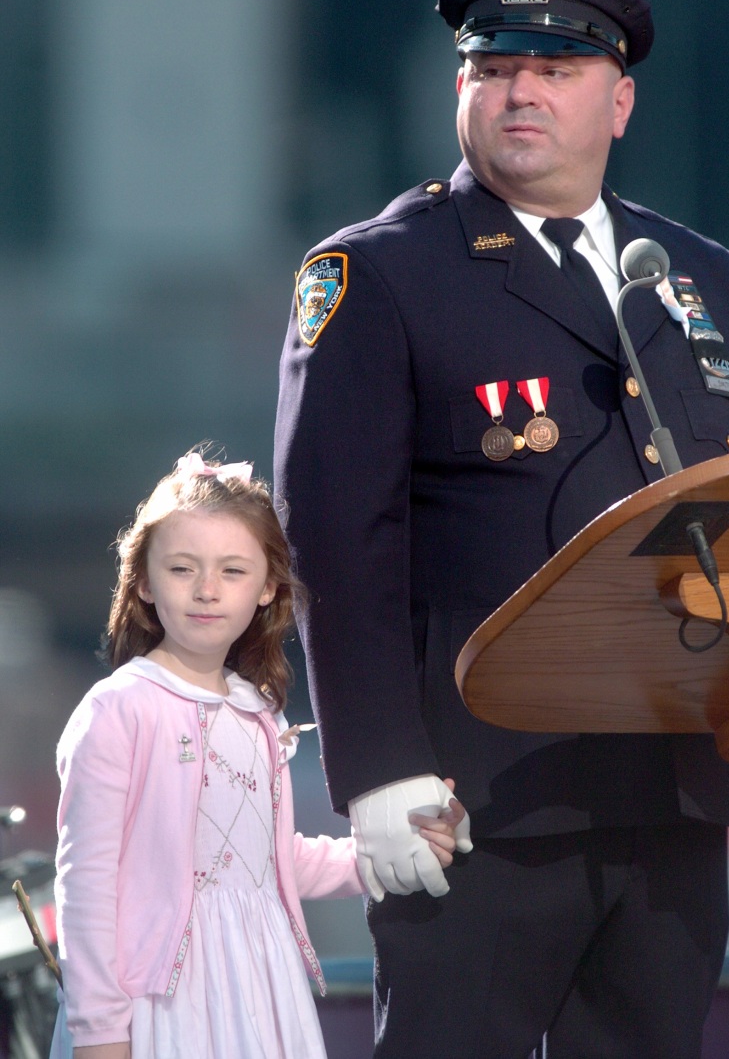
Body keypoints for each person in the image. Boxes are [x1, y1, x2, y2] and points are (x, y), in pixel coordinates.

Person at [273, 0, 729, 1059]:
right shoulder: (378, 274)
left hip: (671, 785)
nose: (521, 90)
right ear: (459, 90)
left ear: (620, 98)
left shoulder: (695, 272)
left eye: (556, 64)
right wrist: (376, 770)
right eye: (493, 66)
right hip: (473, 799)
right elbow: (339, 541)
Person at [49, 450, 463, 1059]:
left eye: (233, 571)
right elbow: (85, 887)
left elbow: (268, 861)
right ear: (142, 579)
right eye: (183, 568)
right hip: (160, 1003)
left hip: (260, 987)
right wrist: (100, 1033)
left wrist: (386, 849)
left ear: (268, 586)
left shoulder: (257, 712)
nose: (207, 590)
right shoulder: (119, 710)